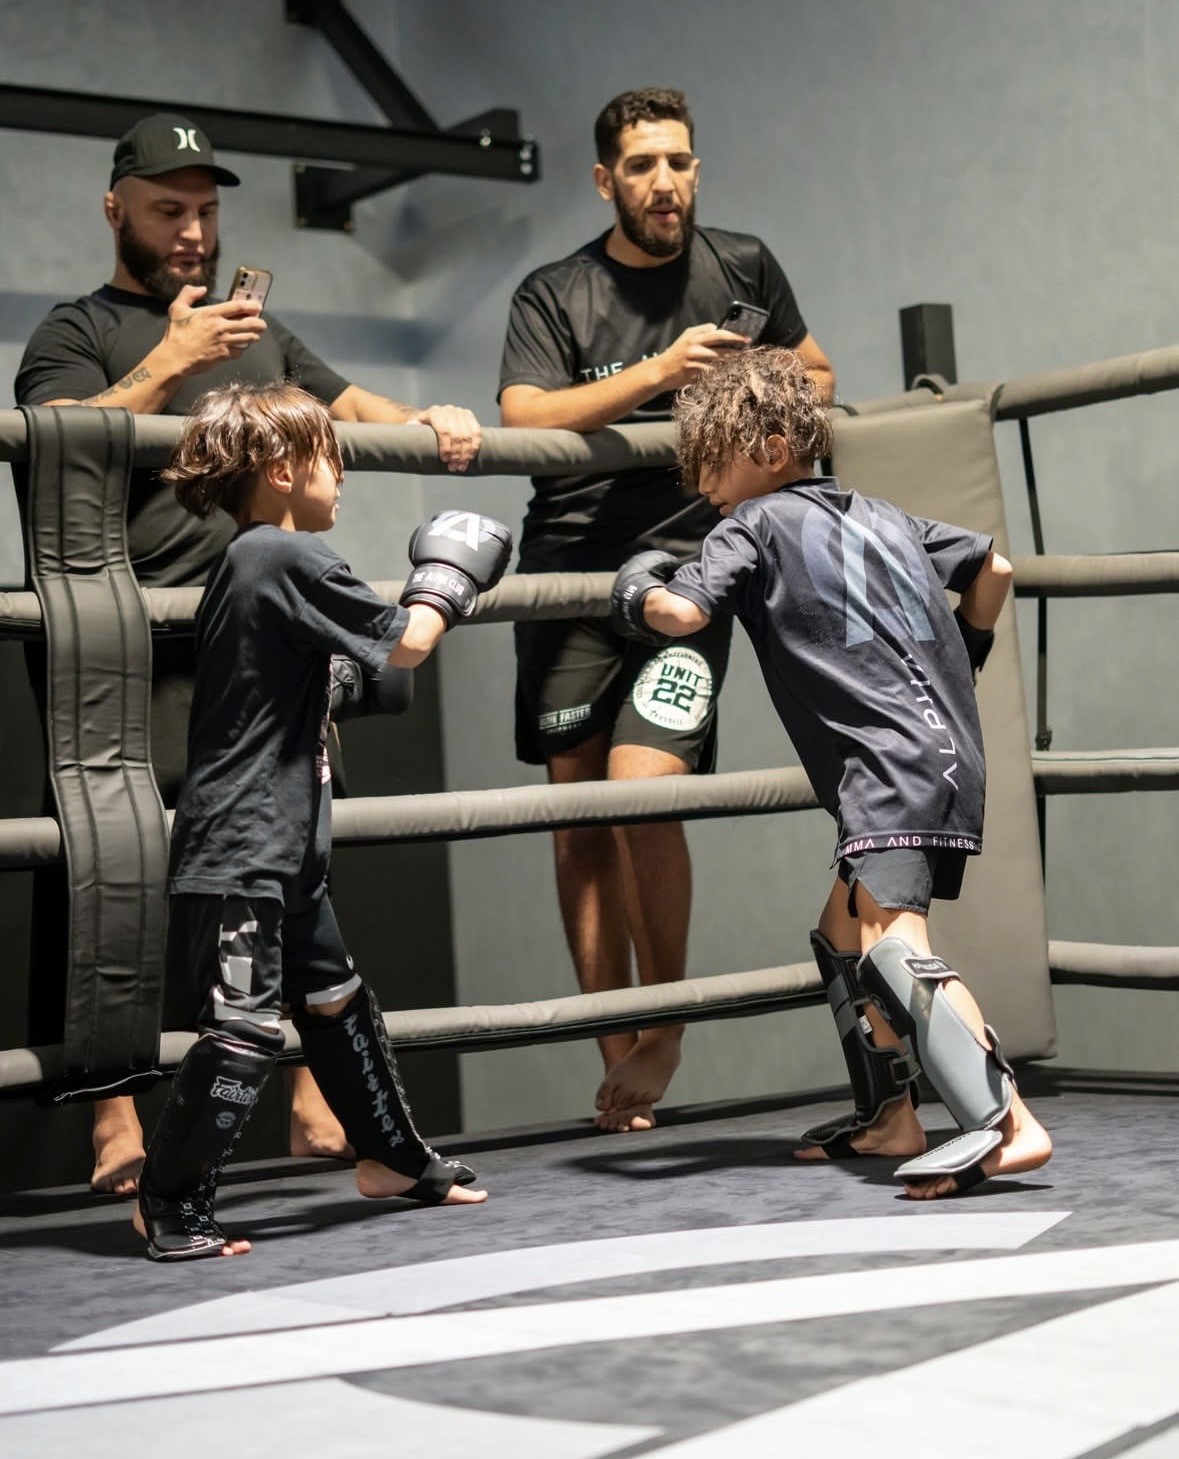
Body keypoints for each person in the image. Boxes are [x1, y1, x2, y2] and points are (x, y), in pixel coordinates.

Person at [13, 112, 484, 1193]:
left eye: (207, 211)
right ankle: (117, 1125)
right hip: (130, 648)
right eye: (167, 209)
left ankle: (323, 1101)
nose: (191, 232)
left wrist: (435, 416)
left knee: (299, 852)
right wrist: (171, 359)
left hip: (264, 639)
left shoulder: (260, 332)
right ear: (115, 209)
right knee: (112, 881)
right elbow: (51, 442)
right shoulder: (78, 329)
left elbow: (353, 403)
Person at [609, 346, 1052, 1198]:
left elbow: (677, 611)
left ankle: (1004, 1121)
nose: (703, 486)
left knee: (890, 943)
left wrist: (631, 584)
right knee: (841, 934)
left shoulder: (752, 523)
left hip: (885, 767)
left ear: (770, 447)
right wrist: (964, 654)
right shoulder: (883, 513)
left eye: (711, 462)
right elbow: (991, 569)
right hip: (940, 752)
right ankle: (891, 1115)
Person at [498, 87, 835, 1133]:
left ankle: (669, 1024)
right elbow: (523, 411)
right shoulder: (555, 290)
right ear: (607, 180)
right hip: (567, 566)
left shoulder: (743, 264)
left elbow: (819, 373)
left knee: (644, 789)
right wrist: (659, 369)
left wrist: (755, 375)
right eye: (642, 166)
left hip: (691, 562)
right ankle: (619, 1051)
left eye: (679, 163)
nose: (664, 183)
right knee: (579, 821)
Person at [135, 380, 510, 1260]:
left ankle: (389, 1155)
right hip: (242, 844)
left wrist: (336, 677)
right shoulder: (279, 555)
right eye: (330, 457)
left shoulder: (257, 563)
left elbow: (339, 676)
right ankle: (169, 1201)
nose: (343, 475)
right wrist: (446, 579)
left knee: (337, 1001)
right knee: (246, 1030)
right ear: (280, 469)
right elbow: (408, 644)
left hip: (288, 838)